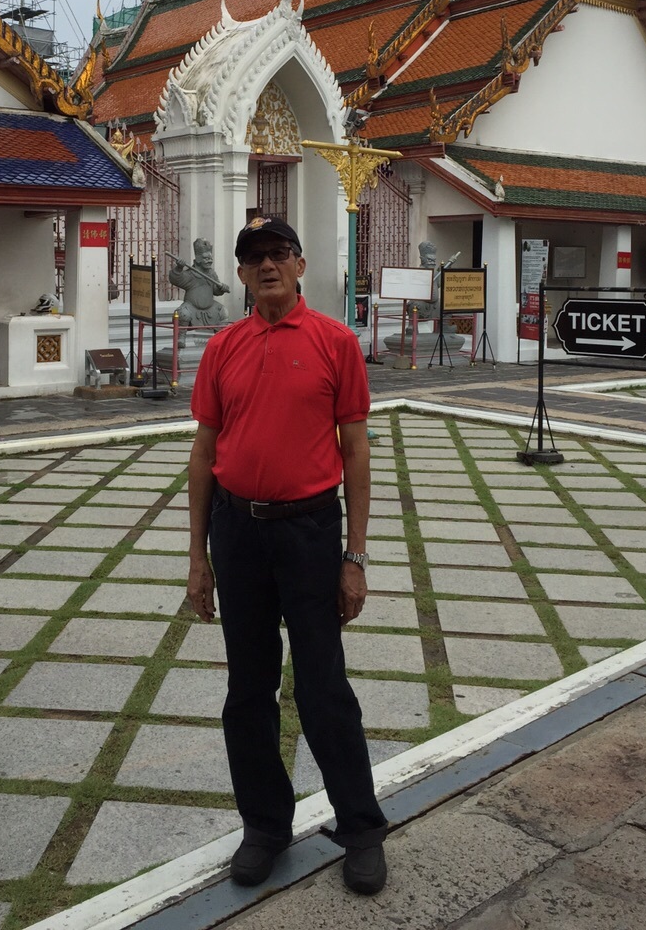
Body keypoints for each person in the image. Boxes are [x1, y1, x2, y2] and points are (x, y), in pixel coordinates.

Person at [187, 216, 388, 896]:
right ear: (240, 275)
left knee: (323, 686)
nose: (266, 266)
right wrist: (197, 556)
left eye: (278, 254)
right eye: (254, 259)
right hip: (236, 531)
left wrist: (354, 555)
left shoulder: (336, 343)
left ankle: (360, 827)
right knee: (248, 690)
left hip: (308, 532)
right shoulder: (224, 348)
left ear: (300, 266)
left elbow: (356, 450)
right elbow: (204, 453)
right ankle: (265, 826)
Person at [168, 237, 230, 328]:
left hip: (210, 308)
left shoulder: (212, 273)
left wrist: (222, 288)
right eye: (206, 258)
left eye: (210, 258)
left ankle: (220, 338)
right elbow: (175, 279)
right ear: (198, 259)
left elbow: (216, 290)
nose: (210, 261)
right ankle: (180, 339)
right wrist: (179, 268)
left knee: (224, 312)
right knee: (182, 313)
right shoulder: (190, 274)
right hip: (191, 308)